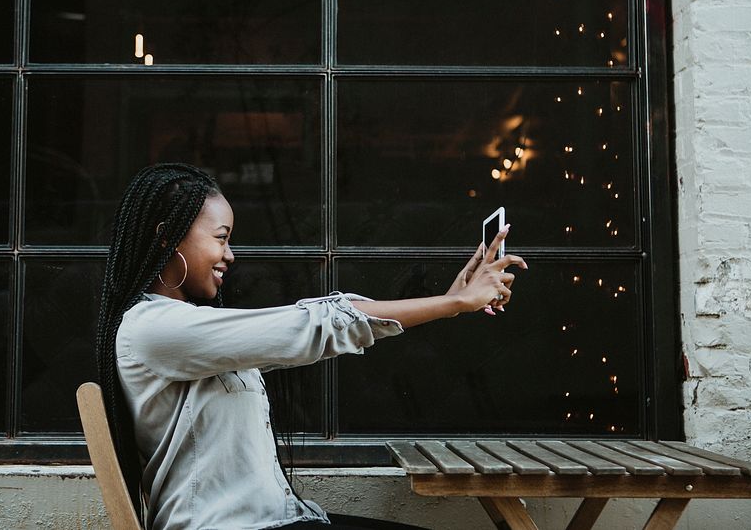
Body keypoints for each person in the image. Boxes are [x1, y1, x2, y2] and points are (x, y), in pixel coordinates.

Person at [95, 163, 527, 530]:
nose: (230, 255)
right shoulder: (153, 329)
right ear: (168, 236)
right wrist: (451, 303)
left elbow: (320, 325)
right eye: (221, 237)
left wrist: (448, 305)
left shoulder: (189, 331)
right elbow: (311, 327)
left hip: (280, 520)